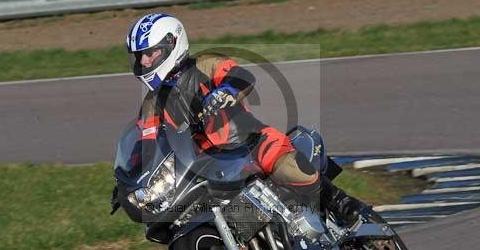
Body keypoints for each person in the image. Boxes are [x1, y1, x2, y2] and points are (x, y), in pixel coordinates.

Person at [125, 12, 369, 225]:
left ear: (172, 43)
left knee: (286, 166)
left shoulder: (205, 65)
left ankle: (342, 205)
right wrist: (129, 176)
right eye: (139, 56)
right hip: (207, 169)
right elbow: (147, 142)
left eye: (149, 53)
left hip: (249, 143)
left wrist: (226, 91)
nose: (143, 61)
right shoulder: (151, 105)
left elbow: (240, 75)